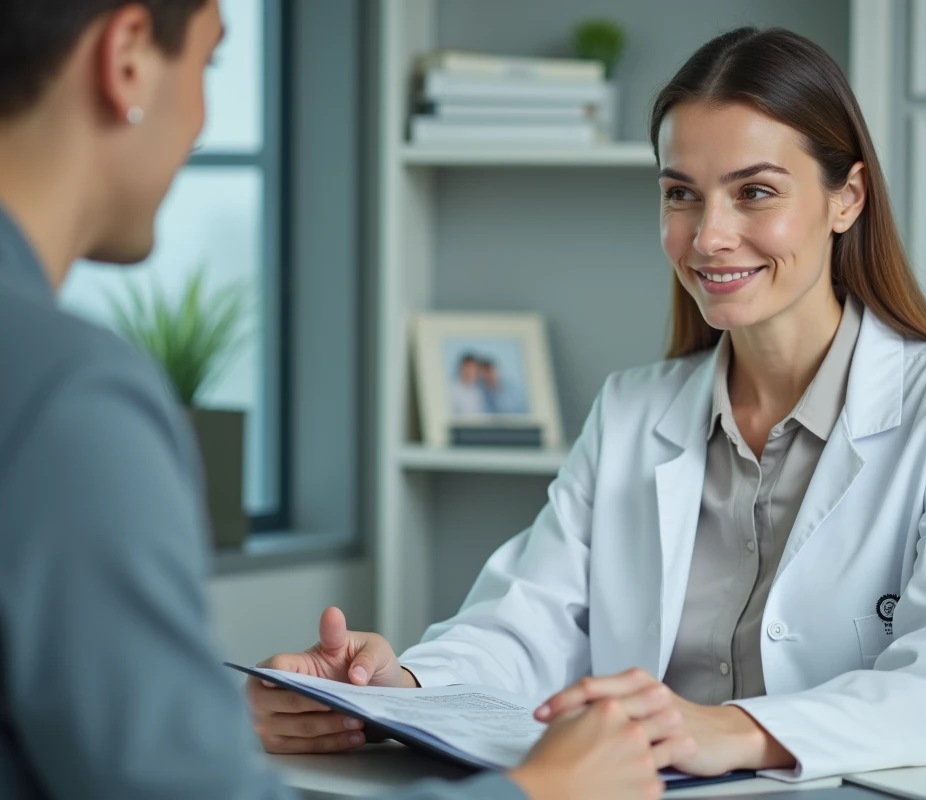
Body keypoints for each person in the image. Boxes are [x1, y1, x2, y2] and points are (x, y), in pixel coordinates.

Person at [252, 27, 926, 783]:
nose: (708, 237)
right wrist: (389, 690)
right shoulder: (632, 412)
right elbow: (525, 626)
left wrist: (729, 729)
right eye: (681, 194)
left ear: (847, 197)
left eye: (755, 192)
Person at [0, 2, 672, 799]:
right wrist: (543, 793)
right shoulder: (70, 399)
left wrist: (204, 712)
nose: (202, 125)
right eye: (210, 66)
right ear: (128, 58)